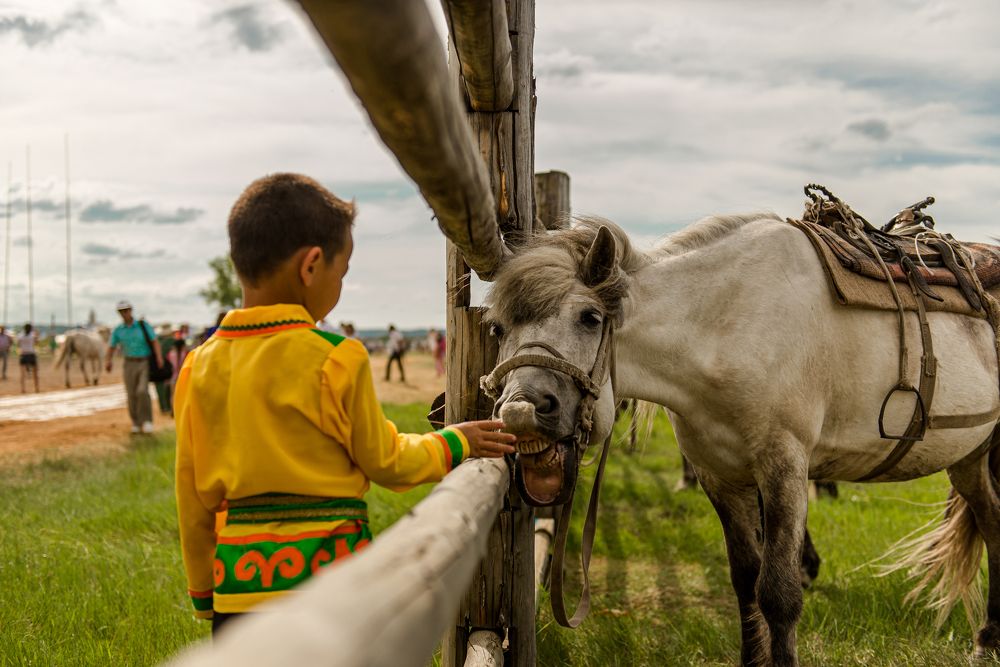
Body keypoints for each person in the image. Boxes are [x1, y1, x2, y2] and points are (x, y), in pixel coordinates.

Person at [173, 173, 516, 635]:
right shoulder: (335, 357)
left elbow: (193, 498)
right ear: (311, 266)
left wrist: (203, 592)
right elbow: (388, 463)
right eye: (343, 272)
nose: (340, 285)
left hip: (238, 590)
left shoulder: (198, 366)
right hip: (330, 588)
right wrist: (457, 441)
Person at [105, 300, 164, 434]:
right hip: (129, 363)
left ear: (131, 310)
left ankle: (147, 420)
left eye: (126, 310)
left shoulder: (142, 326)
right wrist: (108, 361)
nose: (124, 313)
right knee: (131, 393)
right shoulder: (119, 330)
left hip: (144, 362)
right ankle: (136, 422)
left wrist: (159, 357)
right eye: (121, 311)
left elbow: (155, 341)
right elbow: (111, 347)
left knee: (142, 391)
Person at [17, 323, 39, 393]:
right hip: (31, 354)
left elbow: (18, 344)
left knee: (22, 374)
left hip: (23, 354)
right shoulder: (33, 335)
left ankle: (23, 389)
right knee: (35, 373)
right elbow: (37, 343)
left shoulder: (20, 335)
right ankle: (36, 388)